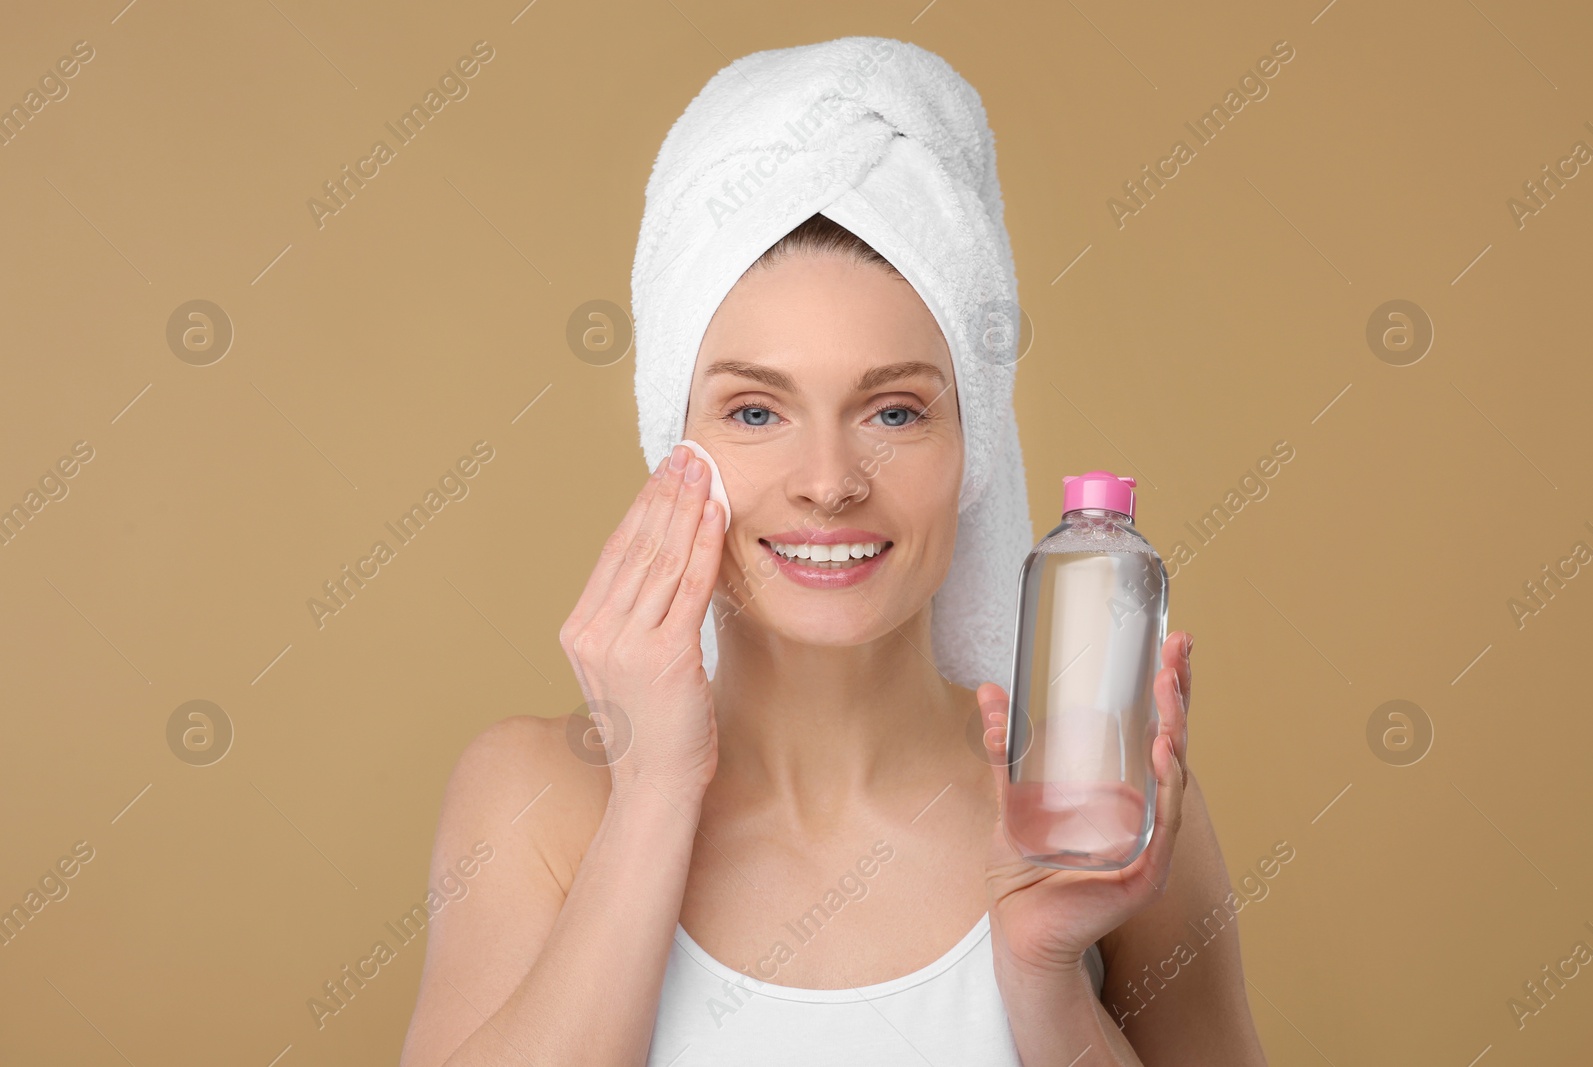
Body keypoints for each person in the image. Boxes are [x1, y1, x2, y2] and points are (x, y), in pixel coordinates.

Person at [400, 38, 1267, 1067]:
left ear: (973, 446)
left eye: (894, 409)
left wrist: (1041, 980)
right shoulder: (534, 796)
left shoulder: (1094, 801)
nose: (827, 479)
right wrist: (654, 799)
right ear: (672, 444)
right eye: (755, 408)